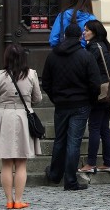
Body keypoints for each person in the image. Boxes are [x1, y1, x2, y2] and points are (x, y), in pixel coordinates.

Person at [43, 22, 101, 191]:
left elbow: (46, 82)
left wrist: (55, 98)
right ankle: (70, 180)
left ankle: (54, 174)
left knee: (60, 139)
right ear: (80, 37)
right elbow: (95, 83)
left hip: (61, 104)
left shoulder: (53, 55)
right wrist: (90, 99)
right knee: (74, 142)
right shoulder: (86, 56)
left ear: (65, 36)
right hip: (81, 104)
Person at [0, 44, 42, 209]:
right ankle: (18, 200)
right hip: (23, 118)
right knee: (21, 163)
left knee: (6, 163)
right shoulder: (31, 74)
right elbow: (37, 99)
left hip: (4, 117)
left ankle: (9, 200)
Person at [78, 20, 110, 174]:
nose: (84, 32)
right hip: (107, 91)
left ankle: (91, 163)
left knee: (94, 127)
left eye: (87, 30)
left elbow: (88, 69)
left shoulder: (94, 48)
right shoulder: (104, 46)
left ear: (94, 32)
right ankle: (108, 162)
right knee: (104, 128)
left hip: (98, 92)